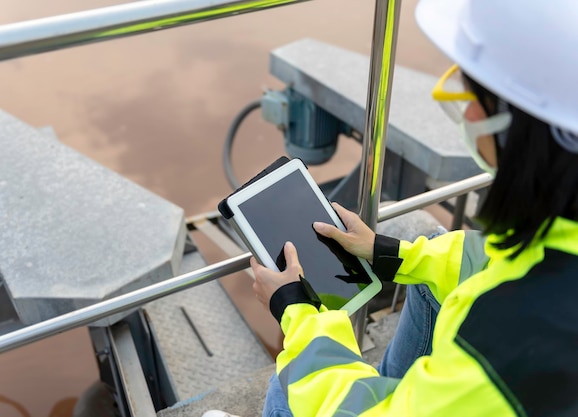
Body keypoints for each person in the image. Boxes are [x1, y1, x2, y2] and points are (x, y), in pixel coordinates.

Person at [246, 0, 578, 416]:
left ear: (518, 125)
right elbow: (485, 258)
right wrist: (388, 253)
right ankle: (405, 388)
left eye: (470, 92)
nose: (467, 110)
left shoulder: (503, 343)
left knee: (290, 390)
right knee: (429, 277)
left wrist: (296, 311)